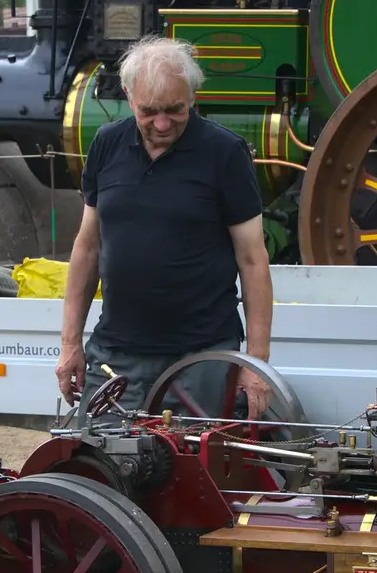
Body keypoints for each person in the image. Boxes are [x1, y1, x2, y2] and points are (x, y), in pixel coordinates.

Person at [53, 35, 274, 420]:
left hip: (201, 358)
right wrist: (71, 342)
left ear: (192, 95)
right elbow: (87, 247)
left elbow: (253, 261)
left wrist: (256, 365)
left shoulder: (225, 153)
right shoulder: (106, 144)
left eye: (175, 110)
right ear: (128, 95)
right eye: (149, 111)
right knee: (101, 466)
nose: (161, 123)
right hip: (116, 354)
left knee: (187, 471)